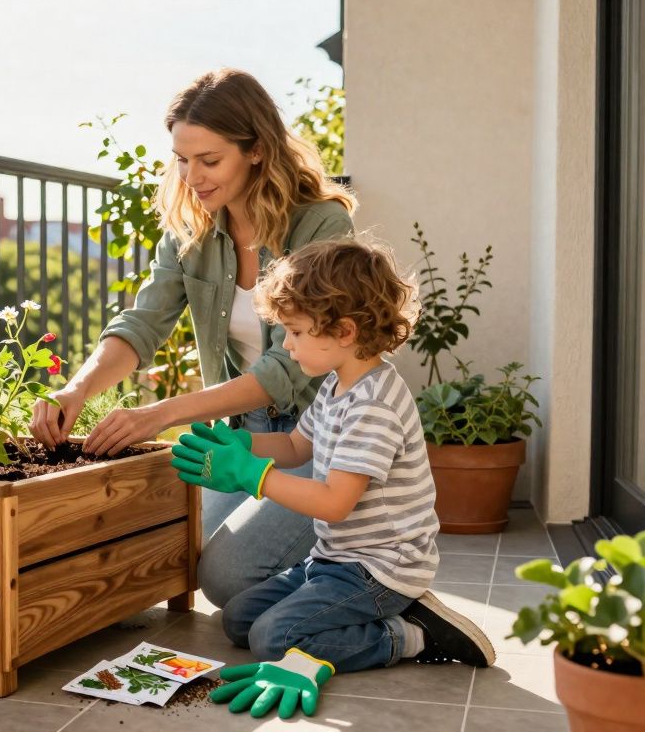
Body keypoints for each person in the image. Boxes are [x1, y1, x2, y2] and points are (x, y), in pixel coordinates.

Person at [29, 68, 355, 608]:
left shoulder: (319, 226)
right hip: (243, 437)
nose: (192, 176)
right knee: (177, 547)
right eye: (182, 160)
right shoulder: (193, 229)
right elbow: (142, 324)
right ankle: (324, 556)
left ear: (256, 150)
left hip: (322, 438)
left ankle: (365, 577)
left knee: (224, 579)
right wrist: (76, 391)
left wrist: (160, 415)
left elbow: (285, 370)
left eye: (209, 161)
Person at [170, 239, 494, 721]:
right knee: (239, 618)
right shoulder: (337, 387)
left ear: (344, 330)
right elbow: (298, 448)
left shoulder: (374, 405)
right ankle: (377, 618)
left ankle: (410, 634)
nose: (288, 345)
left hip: (381, 567)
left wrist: (252, 477)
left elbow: (335, 502)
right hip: (334, 559)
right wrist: (243, 447)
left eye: (296, 333)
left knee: (273, 638)